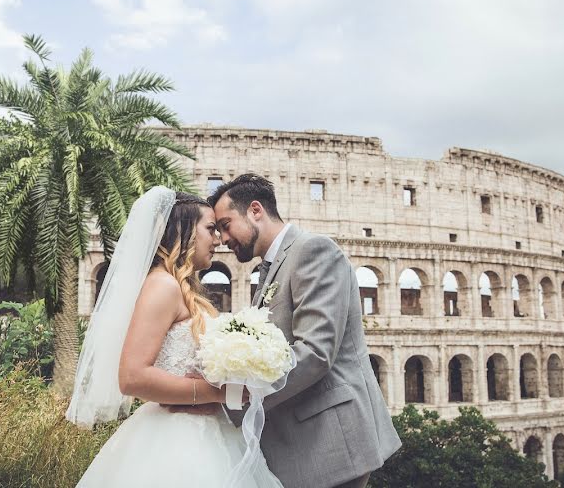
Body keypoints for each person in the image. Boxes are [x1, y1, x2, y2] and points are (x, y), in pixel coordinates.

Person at [66, 187, 283, 487]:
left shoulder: (182, 289)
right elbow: (132, 377)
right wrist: (216, 392)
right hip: (177, 442)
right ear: (183, 231)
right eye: (210, 229)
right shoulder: (163, 287)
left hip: (211, 431)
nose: (218, 239)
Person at [204, 174, 401, 488]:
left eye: (226, 224)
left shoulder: (312, 250)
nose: (223, 238)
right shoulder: (273, 266)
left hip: (331, 438)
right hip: (307, 438)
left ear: (255, 210)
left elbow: (315, 352)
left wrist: (239, 397)